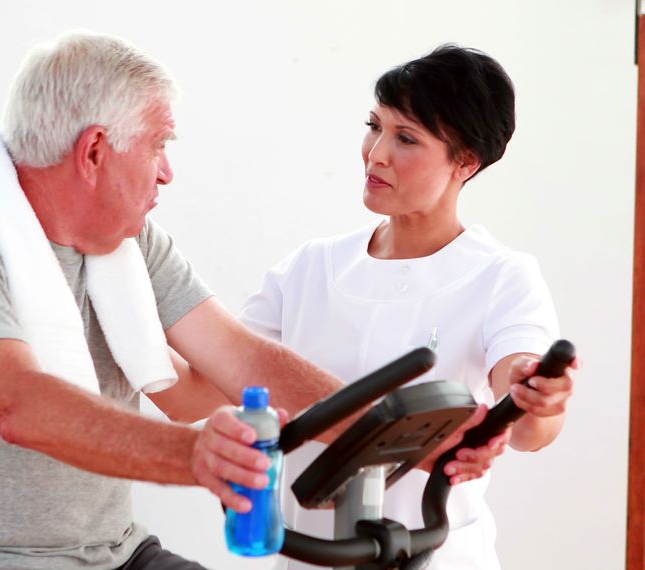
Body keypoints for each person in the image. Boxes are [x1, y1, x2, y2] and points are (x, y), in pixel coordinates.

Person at [0, 31, 354, 569]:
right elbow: (20, 404)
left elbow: (237, 361)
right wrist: (194, 457)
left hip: (112, 553)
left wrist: (402, 430)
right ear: (93, 152)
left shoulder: (132, 240)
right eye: (159, 145)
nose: (167, 171)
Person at [239, 45, 578, 569]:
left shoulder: (501, 275)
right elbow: (206, 379)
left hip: (433, 554)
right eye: (374, 126)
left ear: (466, 162)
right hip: (310, 556)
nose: (375, 153)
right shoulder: (311, 267)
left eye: (405, 138)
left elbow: (529, 425)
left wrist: (539, 397)